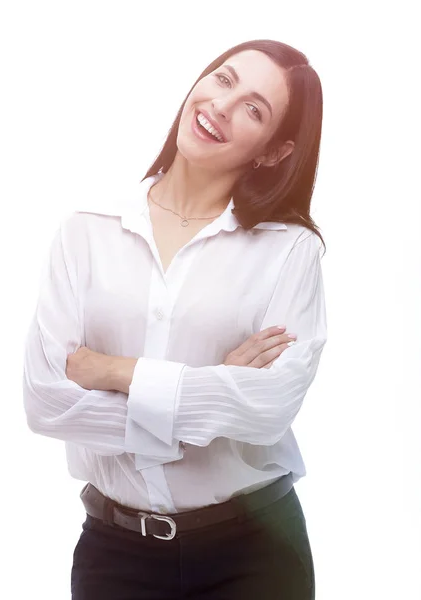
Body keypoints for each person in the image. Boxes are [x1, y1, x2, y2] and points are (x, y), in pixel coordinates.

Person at [22, 38, 327, 599]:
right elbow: (46, 402)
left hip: (255, 552)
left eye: (254, 109)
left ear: (274, 151)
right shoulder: (86, 229)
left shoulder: (290, 251)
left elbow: (267, 410)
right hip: (115, 554)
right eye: (223, 79)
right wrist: (212, 392)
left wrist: (116, 371)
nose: (222, 106)